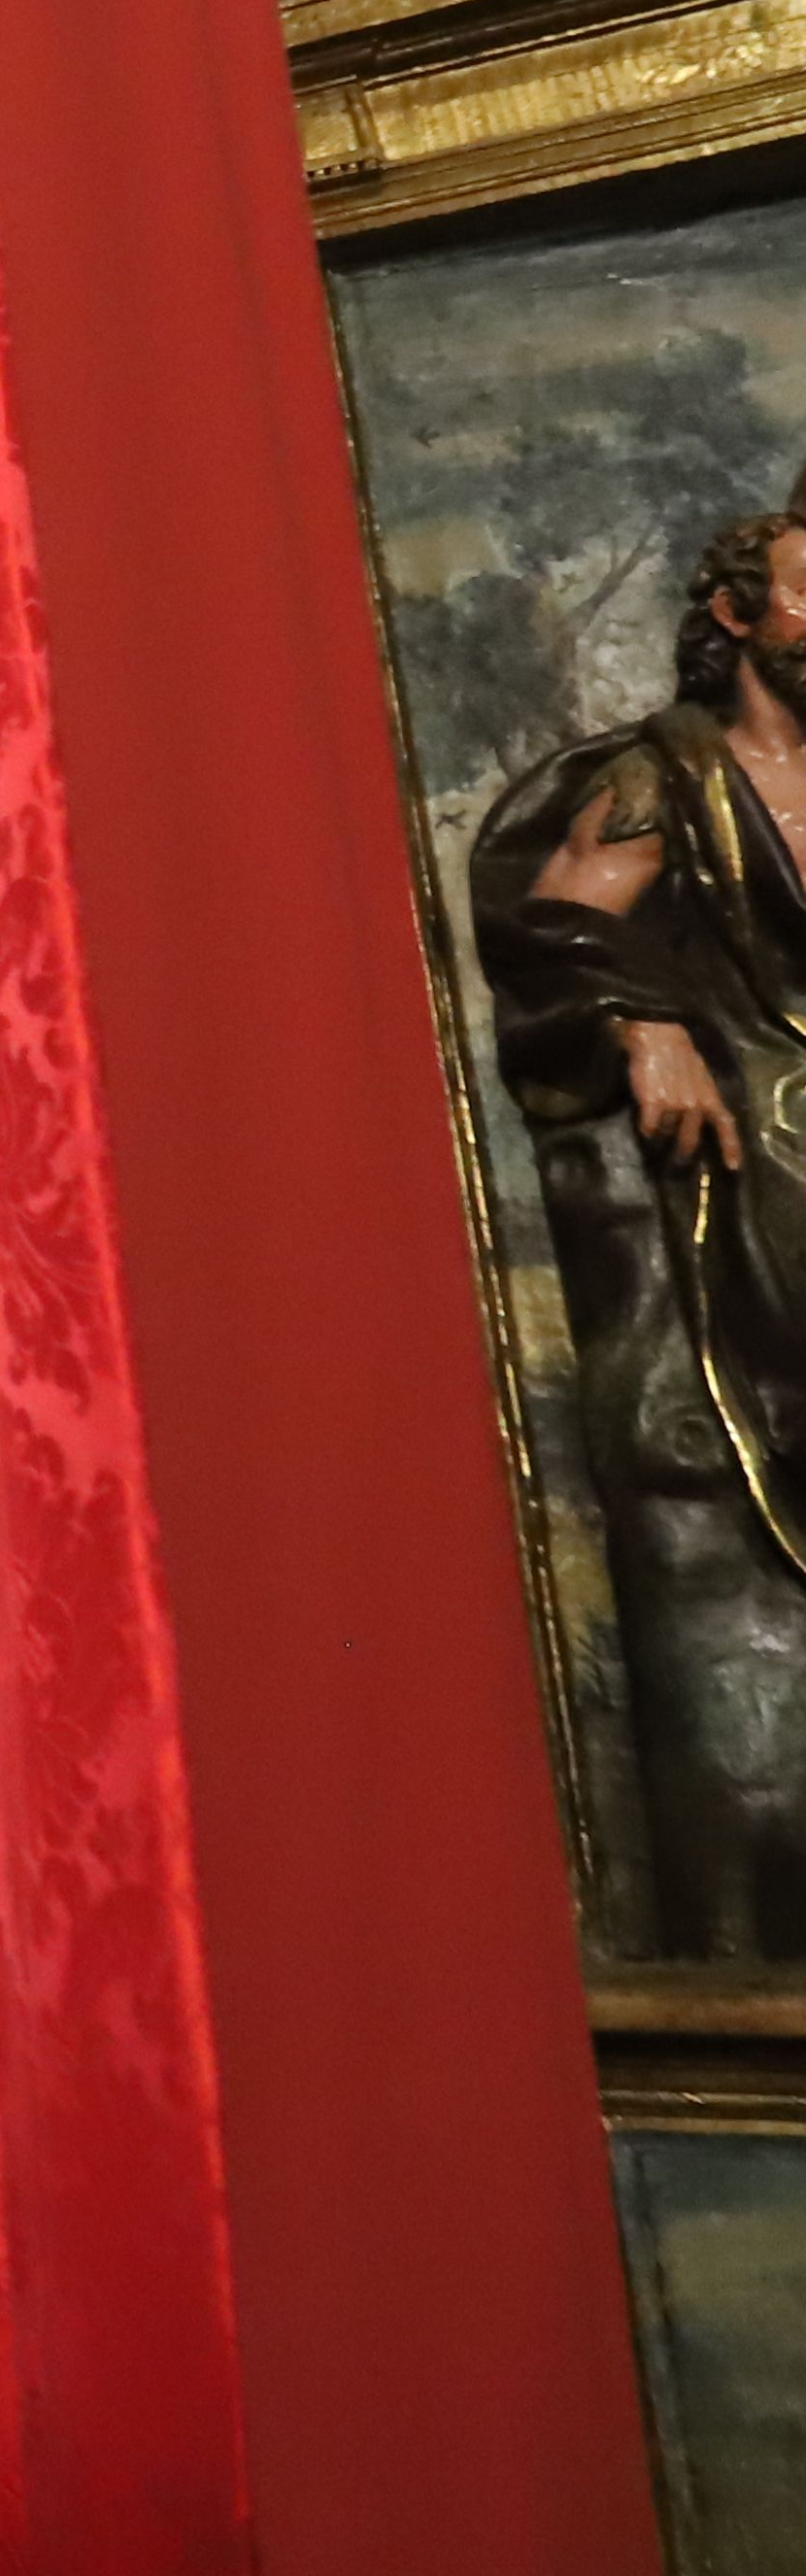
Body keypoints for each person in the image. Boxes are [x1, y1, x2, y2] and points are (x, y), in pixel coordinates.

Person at [478, 503, 806, 1952]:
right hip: (765, 1146)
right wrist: (648, 1020)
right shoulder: (667, 776)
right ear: (740, 617)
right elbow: (560, 919)